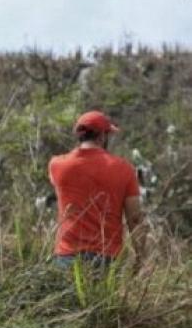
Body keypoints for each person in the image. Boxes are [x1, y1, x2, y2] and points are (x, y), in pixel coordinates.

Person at [48, 110, 145, 268]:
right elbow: (134, 219)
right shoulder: (124, 169)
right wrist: (141, 257)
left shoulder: (57, 165)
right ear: (102, 137)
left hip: (66, 257)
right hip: (106, 259)